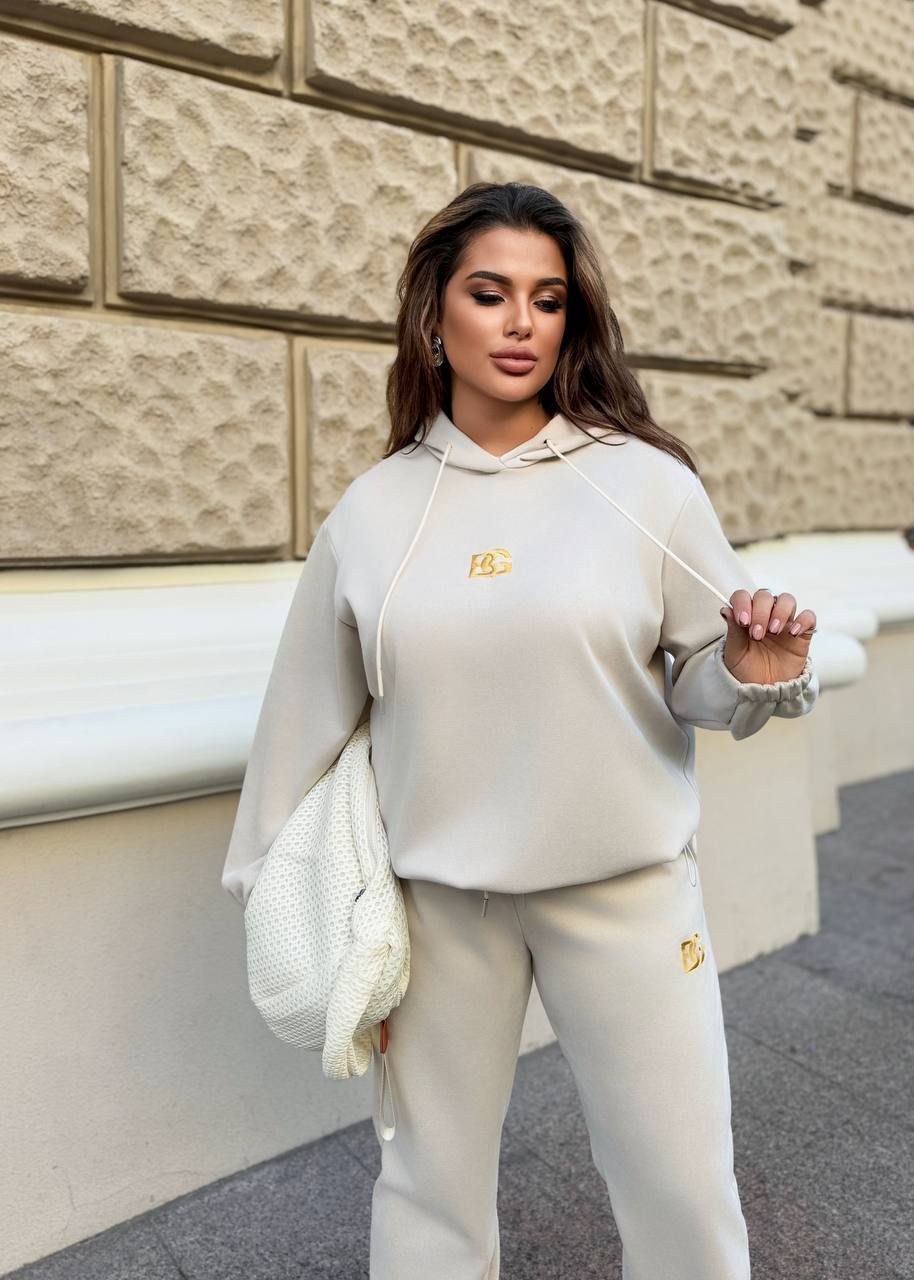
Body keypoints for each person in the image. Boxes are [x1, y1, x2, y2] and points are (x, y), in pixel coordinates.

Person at [221, 181, 819, 1280]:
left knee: (682, 1189)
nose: (520, 324)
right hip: (440, 913)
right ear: (433, 315)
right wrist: (278, 900)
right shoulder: (374, 513)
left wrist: (746, 668)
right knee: (428, 1192)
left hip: (627, 895)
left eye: (546, 300)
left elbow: (699, 674)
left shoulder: (646, 486)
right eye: (489, 294)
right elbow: (300, 722)